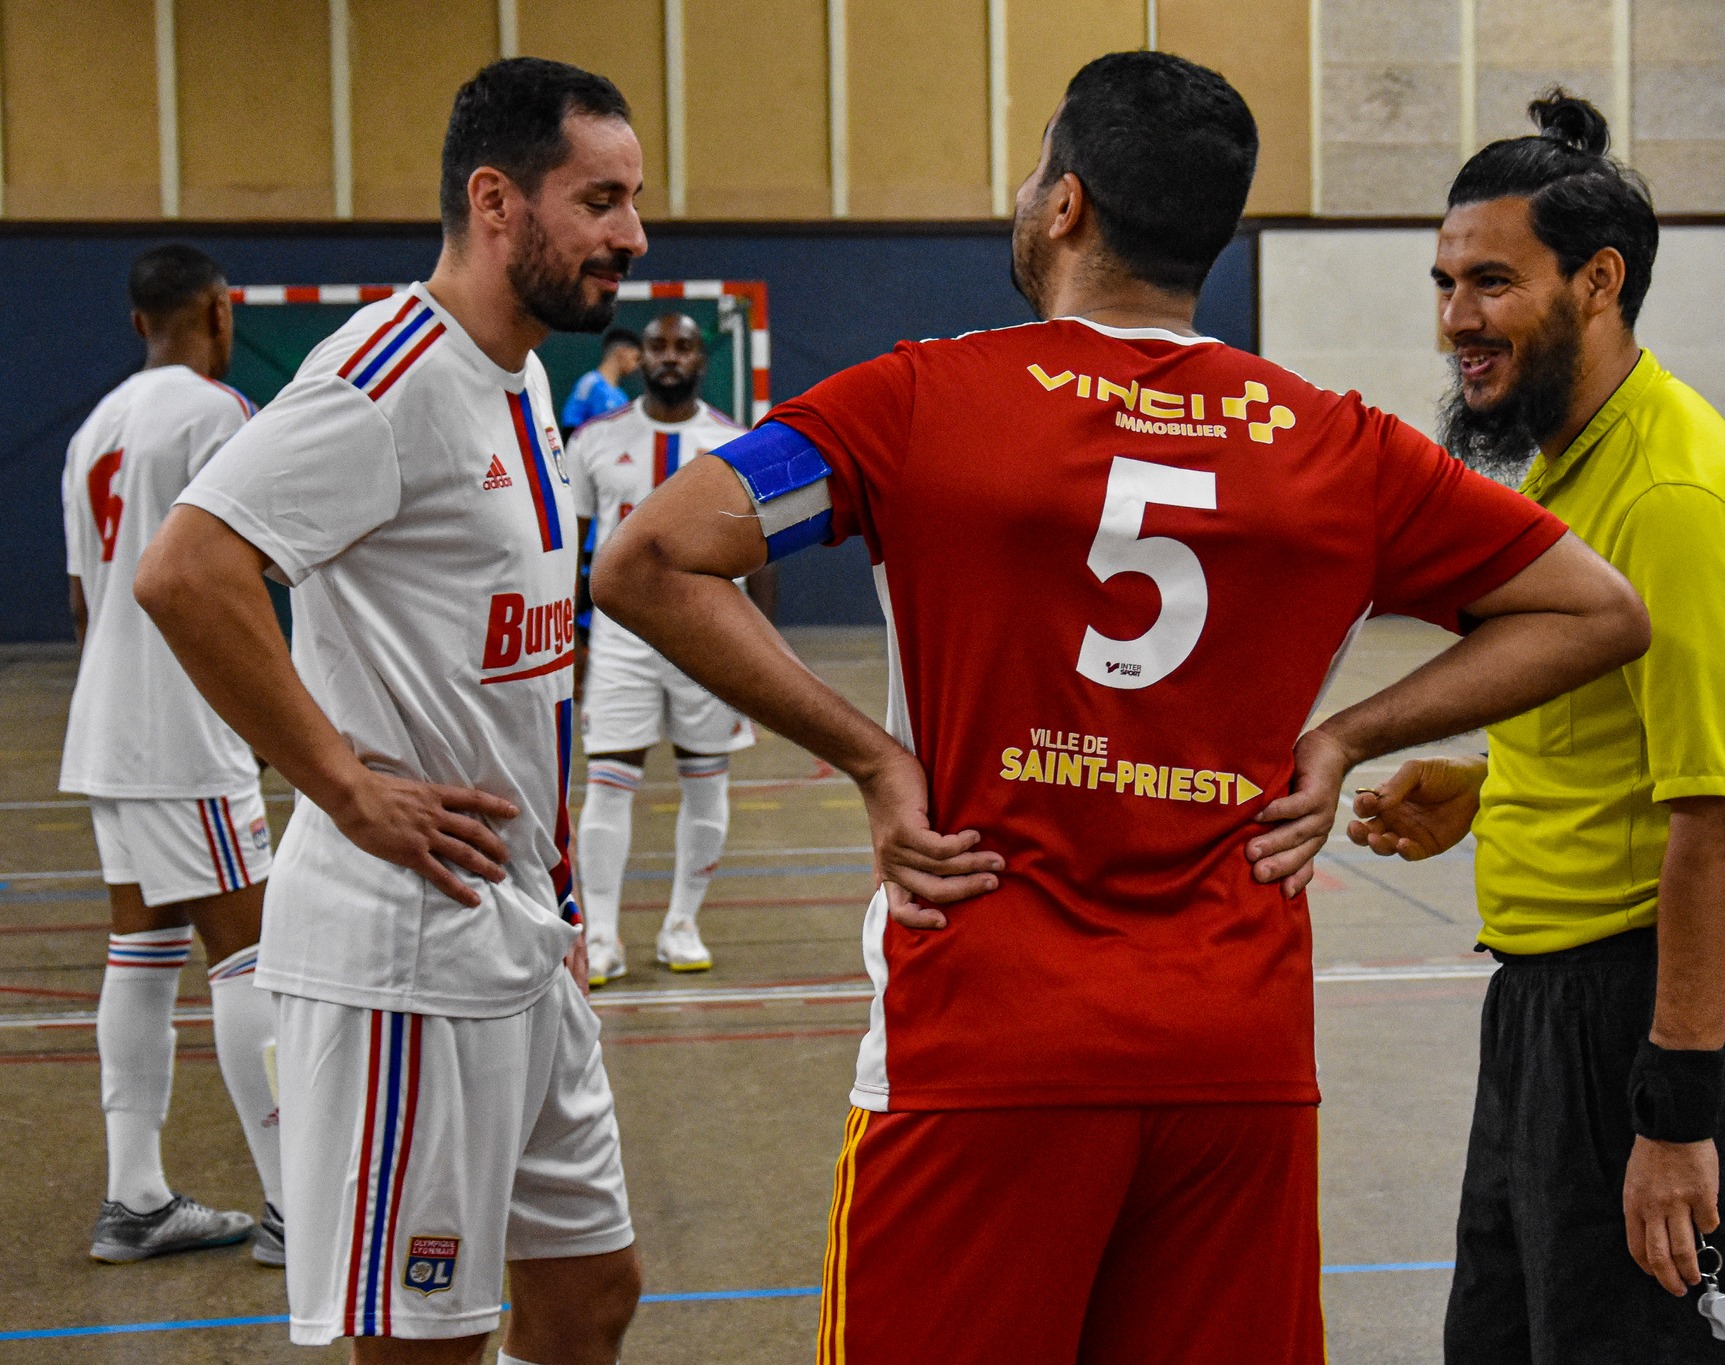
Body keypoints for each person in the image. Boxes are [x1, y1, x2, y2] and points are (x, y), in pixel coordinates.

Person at [594, 51, 1651, 1365]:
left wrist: (872, 760)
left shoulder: (916, 400)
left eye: (1039, 162)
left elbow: (649, 558)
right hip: (1237, 1052)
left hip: (983, 1040)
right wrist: (1348, 734)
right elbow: (1599, 608)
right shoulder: (1340, 445)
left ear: (1066, 204)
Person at [135, 57, 645, 1362]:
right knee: (423, 1343)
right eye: (600, 201)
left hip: (524, 936)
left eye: (634, 202)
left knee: (592, 1294)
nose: (632, 237)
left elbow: (522, 672)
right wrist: (346, 786)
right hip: (404, 961)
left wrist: (567, 891)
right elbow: (188, 569)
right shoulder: (391, 369)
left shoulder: (527, 380)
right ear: (496, 202)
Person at [1352, 90, 1725, 1363]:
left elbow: (1719, 825)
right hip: (1547, 1013)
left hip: (1654, 1011)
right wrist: (1490, 784)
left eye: (1491, 282)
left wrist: (1673, 1116)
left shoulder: (1669, 493)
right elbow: (1635, 736)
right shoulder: (1570, 464)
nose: (1456, 319)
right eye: (1445, 282)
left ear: (1597, 281)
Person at [60, 243, 282, 1267]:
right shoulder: (218, 415)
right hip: (183, 729)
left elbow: (80, 601)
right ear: (218, 309)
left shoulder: (93, 427)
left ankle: (135, 1198)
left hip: (107, 724)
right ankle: (296, 1205)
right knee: (252, 956)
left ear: (131, 318)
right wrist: (270, 716)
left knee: (142, 953)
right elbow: (235, 579)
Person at [567, 311, 761, 982]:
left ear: (703, 361)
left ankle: (682, 924)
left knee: (705, 779)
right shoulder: (594, 440)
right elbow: (574, 551)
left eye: (683, 347)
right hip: (621, 641)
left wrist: (758, 649)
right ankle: (600, 936)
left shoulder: (736, 443)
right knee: (608, 782)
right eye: (657, 346)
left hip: (710, 640)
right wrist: (575, 640)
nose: (670, 357)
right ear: (638, 357)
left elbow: (764, 555)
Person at [561, 326, 639, 433]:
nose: (637, 365)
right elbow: (570, 424)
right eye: (636, 358)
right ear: (622, 352)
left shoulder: (622, 397)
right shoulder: (590, 383)